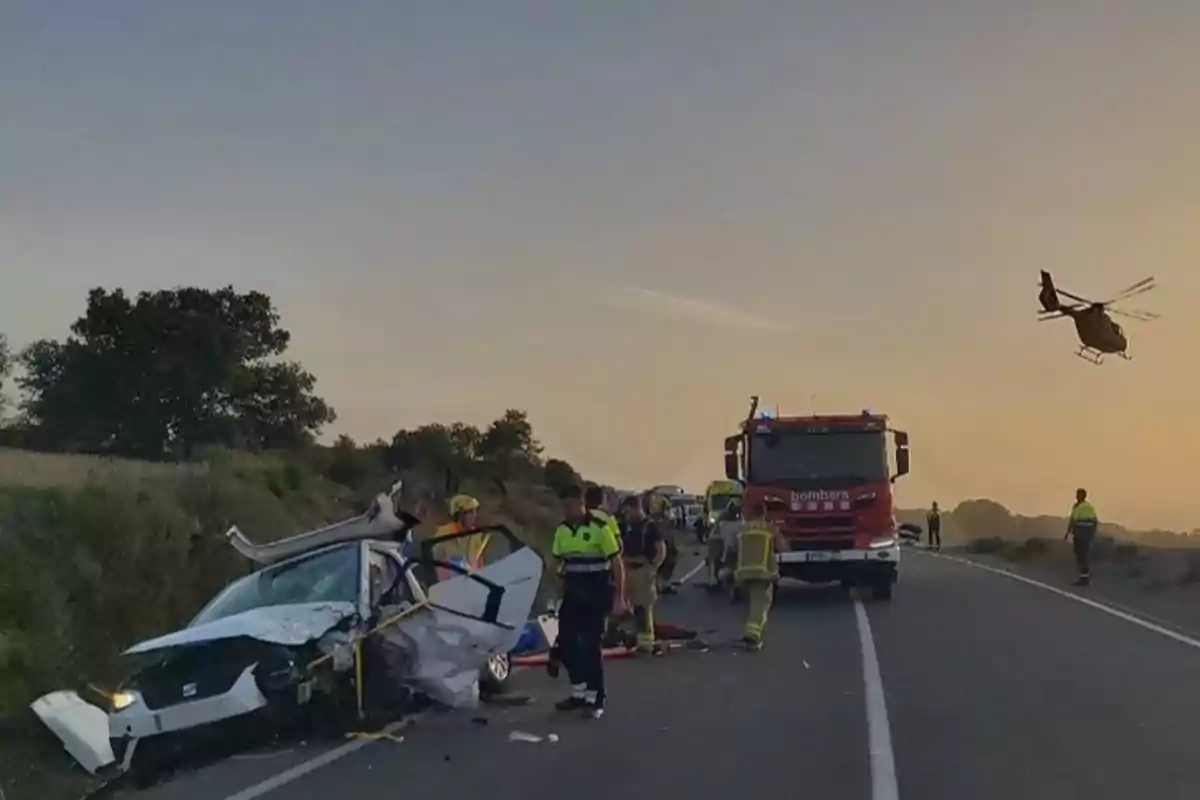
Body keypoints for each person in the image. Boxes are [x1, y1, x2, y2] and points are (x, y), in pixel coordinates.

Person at [549, 484, 626, 718]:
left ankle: (596, 698)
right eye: (564, 506)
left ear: (582, 505)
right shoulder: (562, 530)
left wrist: (619, 598)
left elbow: (616, 564)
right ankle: (578, 692)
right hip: (573, 591)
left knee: (591, 646)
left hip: (597, 590)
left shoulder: (599, 529)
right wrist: (555, 587)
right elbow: (555, 561)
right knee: (566, 643)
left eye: (570, 506)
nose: (567, 510)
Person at [733, 500, 786, 651]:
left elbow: (732, 548)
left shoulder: (742, 529)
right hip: (763, 573)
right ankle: (753, 638)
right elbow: (782, 547)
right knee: (759, 607)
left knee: (748, 606)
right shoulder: (770, 529)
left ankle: (749, 633)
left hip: (743, 573)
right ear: (763, 513)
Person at [618, 495, 667, 654]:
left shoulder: (650, 526)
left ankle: (646, 640)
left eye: (628, 511)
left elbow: (660, 549)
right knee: (627, 606)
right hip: (626, 568)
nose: (626, 515)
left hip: (642, 568)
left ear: (635, 508)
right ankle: (631, 637)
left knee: (644, 606)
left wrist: (653, 568)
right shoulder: (625, 526)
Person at [1064, 488, 1098, 586]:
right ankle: (1085, 576)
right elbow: (1095, 521)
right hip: (1087, 534)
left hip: (1080, 534)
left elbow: (1073, 521)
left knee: (1081, 555)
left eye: (1078, 494)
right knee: (1084, 554)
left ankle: (1084, 577)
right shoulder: (1089, 507)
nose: (1077, 496)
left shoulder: (1078, 507)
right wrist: (1092, 533)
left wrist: (1068, 533)